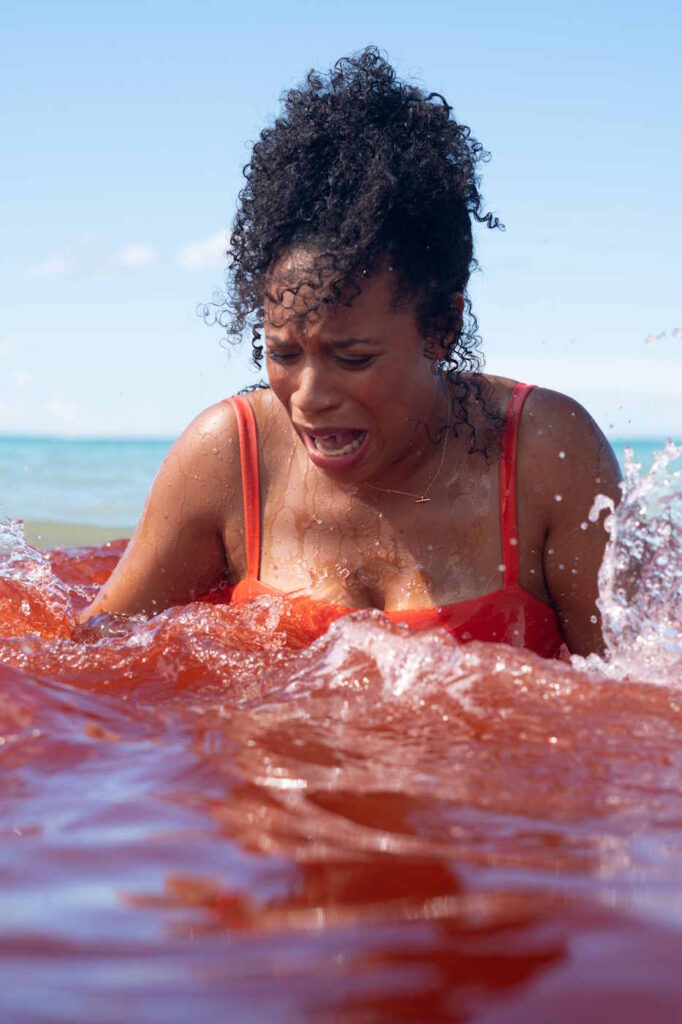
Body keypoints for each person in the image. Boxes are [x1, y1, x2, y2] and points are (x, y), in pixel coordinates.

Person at [79, 48, 621, 657]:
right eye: (282, 354)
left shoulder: (545, 457)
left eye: (352, 358)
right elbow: (87, 664)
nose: (308, 397)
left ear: (441, 327)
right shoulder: (228, 459)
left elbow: (633, 705)